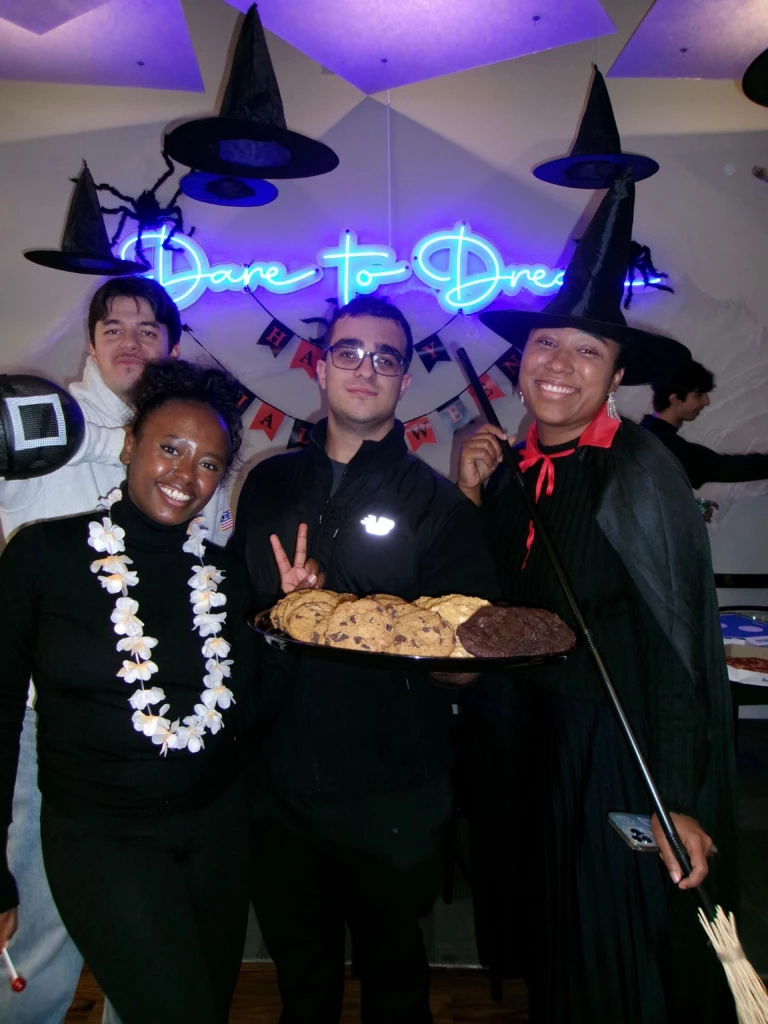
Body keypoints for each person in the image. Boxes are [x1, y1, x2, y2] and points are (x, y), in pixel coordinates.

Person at [461, 174, 738, 1023]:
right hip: (529, 745)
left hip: (617, 747)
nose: (558, 364)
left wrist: (678, 797)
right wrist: (473, 499)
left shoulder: (639, 474)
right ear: (521, 359)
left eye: (587, 351)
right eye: (546, 342)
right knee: (553, 945)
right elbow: (489, 613)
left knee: (615, 953)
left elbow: (677, 653)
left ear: (616, 373)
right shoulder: (511, 473)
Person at [234, 295, 498, 1023]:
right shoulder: (266, 483)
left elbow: (465, 659)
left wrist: (451, 654)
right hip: (276, 782)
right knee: (301, 980)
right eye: (348, 352)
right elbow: (233, 610)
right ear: (321, 369)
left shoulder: (439, 507)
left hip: (393, 790)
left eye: (385, 357)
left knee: (395, 978)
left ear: (404, 381)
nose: (365, 368)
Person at [0, 276, 231, 1024]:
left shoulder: (199, 450)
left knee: (154, 954)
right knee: (43, 933)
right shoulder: (36, 421)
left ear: (172, 345)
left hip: (163, 753)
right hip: (48, 727)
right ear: (91, 343)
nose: (131, 342)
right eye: (114, 328)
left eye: (148, 329)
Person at [640, 359, 768, 489]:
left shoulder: (645, 433)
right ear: (675, 400)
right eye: (699, 395)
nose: (706, 402)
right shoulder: (667, 446)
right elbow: (726, 468)